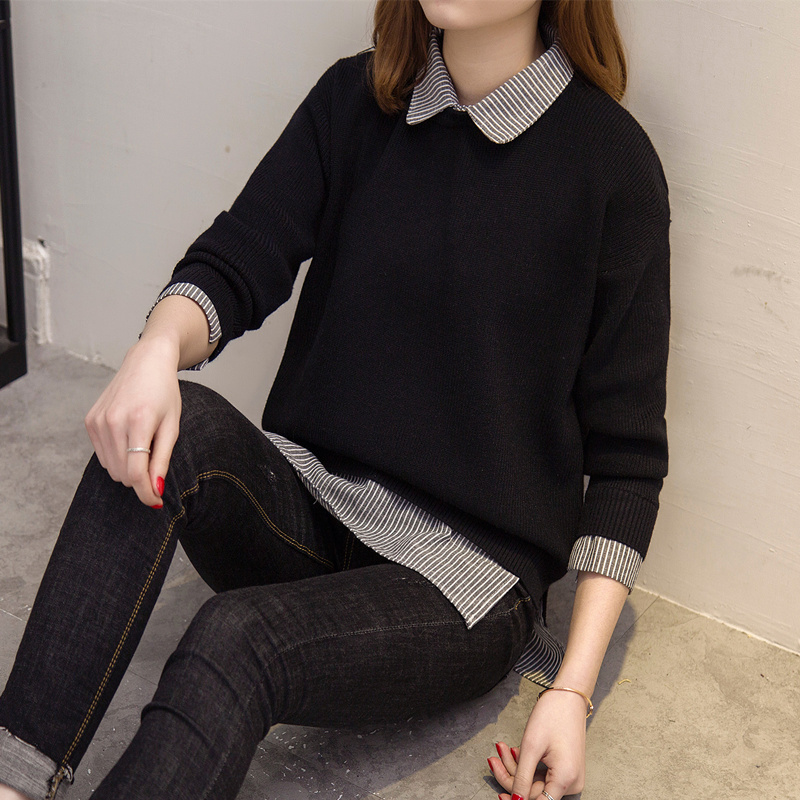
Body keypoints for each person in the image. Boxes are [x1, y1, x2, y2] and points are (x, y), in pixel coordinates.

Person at [0, 0, 671, 799]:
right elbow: (241, 255)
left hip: (467, 582)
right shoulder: (358, 99)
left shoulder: (612, 165)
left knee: (237, 638)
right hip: (316, 507)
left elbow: (628, 463)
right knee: (171, 431)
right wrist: (155, 349)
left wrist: (571, 691)